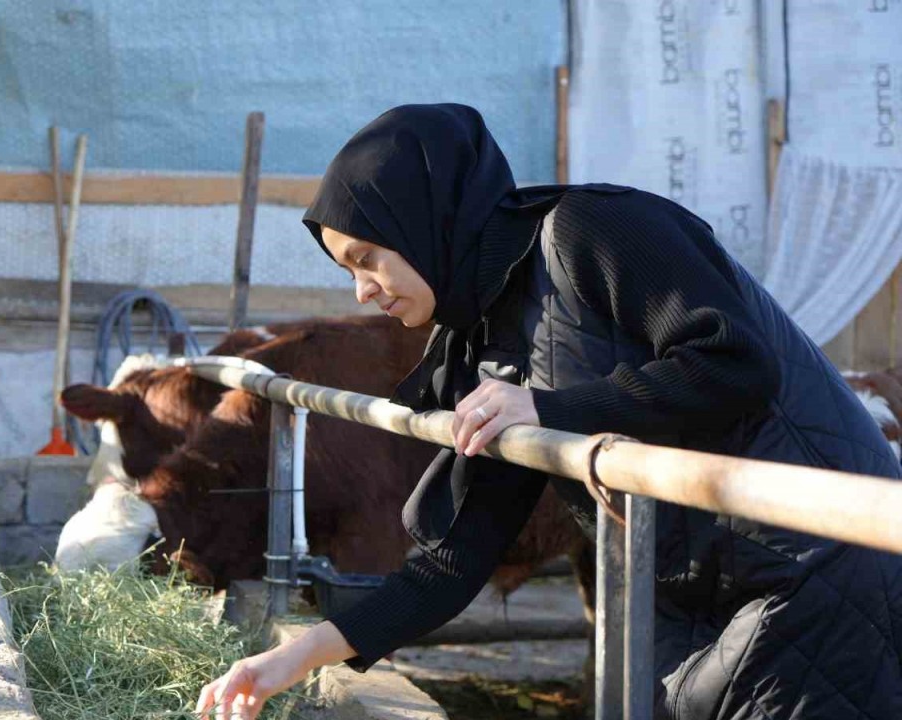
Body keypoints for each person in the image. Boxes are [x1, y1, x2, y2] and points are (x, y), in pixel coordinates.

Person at [196, 105, 902, 720]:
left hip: (813, 573)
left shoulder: (592, 229)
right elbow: (455, 559)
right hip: (696, 604)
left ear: (423, 219)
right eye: (347, 271)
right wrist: (300, 657)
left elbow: (735, 361)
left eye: (367, 257)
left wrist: (551, 407)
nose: (361, 291)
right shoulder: (492, 337)